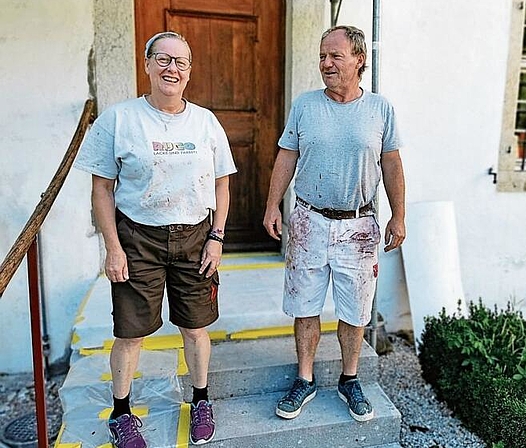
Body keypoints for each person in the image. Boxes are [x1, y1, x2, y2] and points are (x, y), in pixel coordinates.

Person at [74, 31, 236, 447]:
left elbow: (221, 185)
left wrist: (217, 237)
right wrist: (112, 247)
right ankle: (121, 413)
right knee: (130, 332)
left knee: (196, 328)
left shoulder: (205, 121)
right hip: (137, 239)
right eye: (163, 59)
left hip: (195, 238)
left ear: (190, 71)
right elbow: (101, 189)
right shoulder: (119, 119)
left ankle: (201, 400)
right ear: (146, 65)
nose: (172, 69)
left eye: (181, 62)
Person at [263, 25, 406, 422]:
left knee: (356, 310)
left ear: (359, 60)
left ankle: (349, 378)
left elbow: (391, 163)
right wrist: (273, 205)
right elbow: (286, 156)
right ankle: (305, 379)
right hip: (309, 220)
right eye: (322, 55)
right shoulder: (305, 106)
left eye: (335, 56)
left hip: (359, 226)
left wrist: (400, 214)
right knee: (304, 305)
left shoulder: (380, 109)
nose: (325, 63)